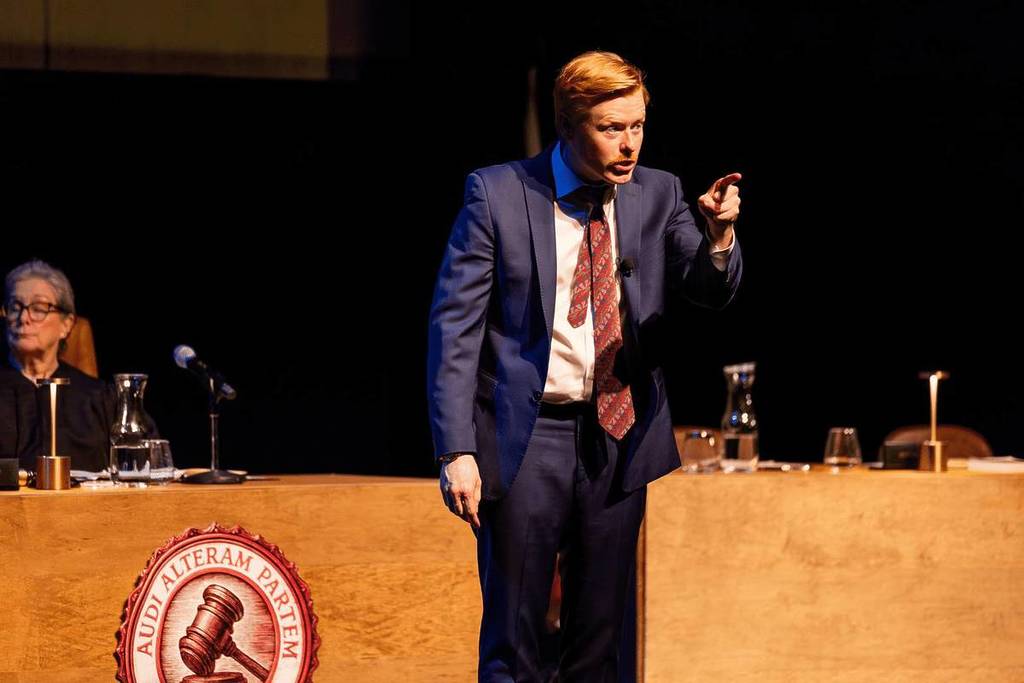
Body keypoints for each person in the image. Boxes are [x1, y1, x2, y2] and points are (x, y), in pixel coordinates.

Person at [427, 51, 743, 681]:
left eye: (638, 126)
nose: (629, 145)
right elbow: (454, 328)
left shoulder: (659, 192)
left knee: (598, 644)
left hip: (619, 435)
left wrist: (717, 237)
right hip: (527, 437)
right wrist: (455, 449)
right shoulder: (498, 193)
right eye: (611, 129)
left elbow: (707, 291)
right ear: (569, 127)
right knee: (514, 640)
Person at [0, 260, 113, 471]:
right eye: (15, 307)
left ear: (66, 324)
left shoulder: (100, 398)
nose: (24, 318)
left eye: (39, 308)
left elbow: (146, 466)